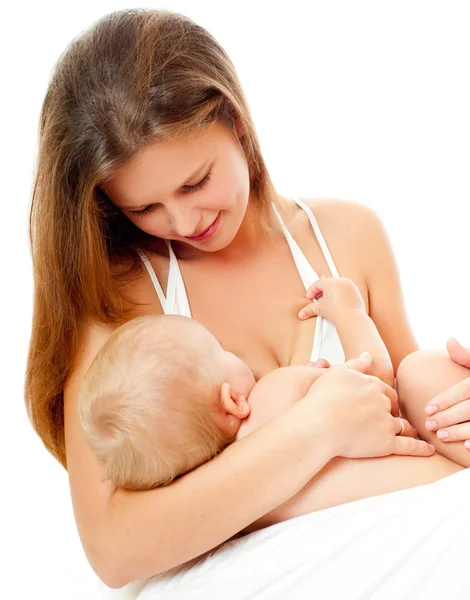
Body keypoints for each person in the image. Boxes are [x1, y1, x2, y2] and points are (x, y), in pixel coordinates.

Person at [24, 8, 470, 590]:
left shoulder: (349, 236)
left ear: (235, 121)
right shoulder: (123, 292)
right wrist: (317, 430)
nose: (183, 220)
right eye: (144, 208)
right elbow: (113, 549)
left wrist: (456, 401)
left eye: (195, 181)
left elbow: (408, 419)